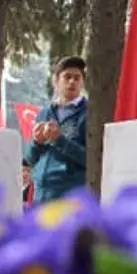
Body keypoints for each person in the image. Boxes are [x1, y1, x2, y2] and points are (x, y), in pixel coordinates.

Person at [27, 56, 88, 204]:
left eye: (77, 78)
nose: (72, 82)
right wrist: (36, 142)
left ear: (82, 83)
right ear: (56, 81)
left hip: (70, 195)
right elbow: (30, 159)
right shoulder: (44, 113)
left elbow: (91, 159)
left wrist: (59, 140)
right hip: (41, 193)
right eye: (67, 77)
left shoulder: (88, 113)